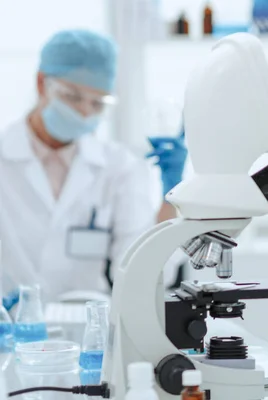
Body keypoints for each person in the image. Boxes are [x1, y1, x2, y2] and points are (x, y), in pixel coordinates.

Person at [0, 29, 187, 302]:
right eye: (72, 97)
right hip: (9, 331)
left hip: (87, 331)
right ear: (42, 83)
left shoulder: (119, 168)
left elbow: (146, 274)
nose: (84, 112)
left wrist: (172, 197)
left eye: (97, 103)